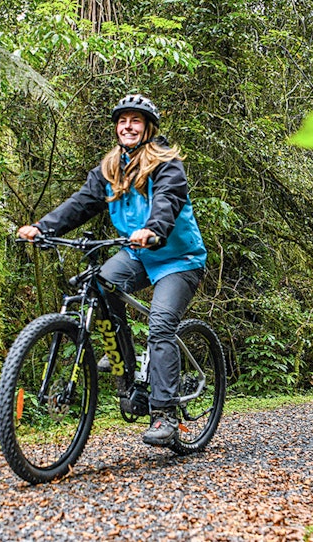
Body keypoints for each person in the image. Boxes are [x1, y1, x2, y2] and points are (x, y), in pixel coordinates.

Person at [16, 94, 206, 447]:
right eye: (122, 121)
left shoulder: (167, 164)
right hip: (136, 253)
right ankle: (124, 364)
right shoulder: (110, 168)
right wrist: (44, 227)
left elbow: (167, 200)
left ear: (148, 128)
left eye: (136, 121)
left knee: (161, 323)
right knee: (100, 285)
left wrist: (153, 229)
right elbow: (81, 204)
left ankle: (164, 414)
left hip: (177, 259)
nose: (128, 126)